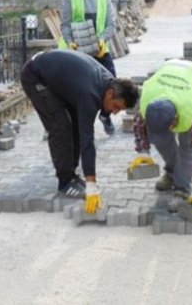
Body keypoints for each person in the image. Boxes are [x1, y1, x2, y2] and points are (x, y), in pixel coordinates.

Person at [20, 49, 139, 213]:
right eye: (116, 107)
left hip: (58, 76)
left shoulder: (108, 83)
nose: (115, 112)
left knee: (76, 122)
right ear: (110, 94)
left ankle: (72, 174)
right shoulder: (89, 95)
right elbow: (87, 141)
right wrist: (91, 184)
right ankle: (65, 182)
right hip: (35, 75)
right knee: (60, 126)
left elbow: (82, 129)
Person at [129, 59, 192, 214]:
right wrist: (143, 151)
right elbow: (138, 125)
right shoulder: (147, 102)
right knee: (160, 140)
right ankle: (172, 172)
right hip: (167, 74)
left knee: (187, 145)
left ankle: (182, 188)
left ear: (175, 120)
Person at [59, 0, 118, 136]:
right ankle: (72, 124)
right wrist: (70, 42)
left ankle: (105, 115)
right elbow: (65, 25)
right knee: (75, 89)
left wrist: (102, 40)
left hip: (99, 50)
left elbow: (111, 25)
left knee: (113, 84)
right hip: (75, 52)